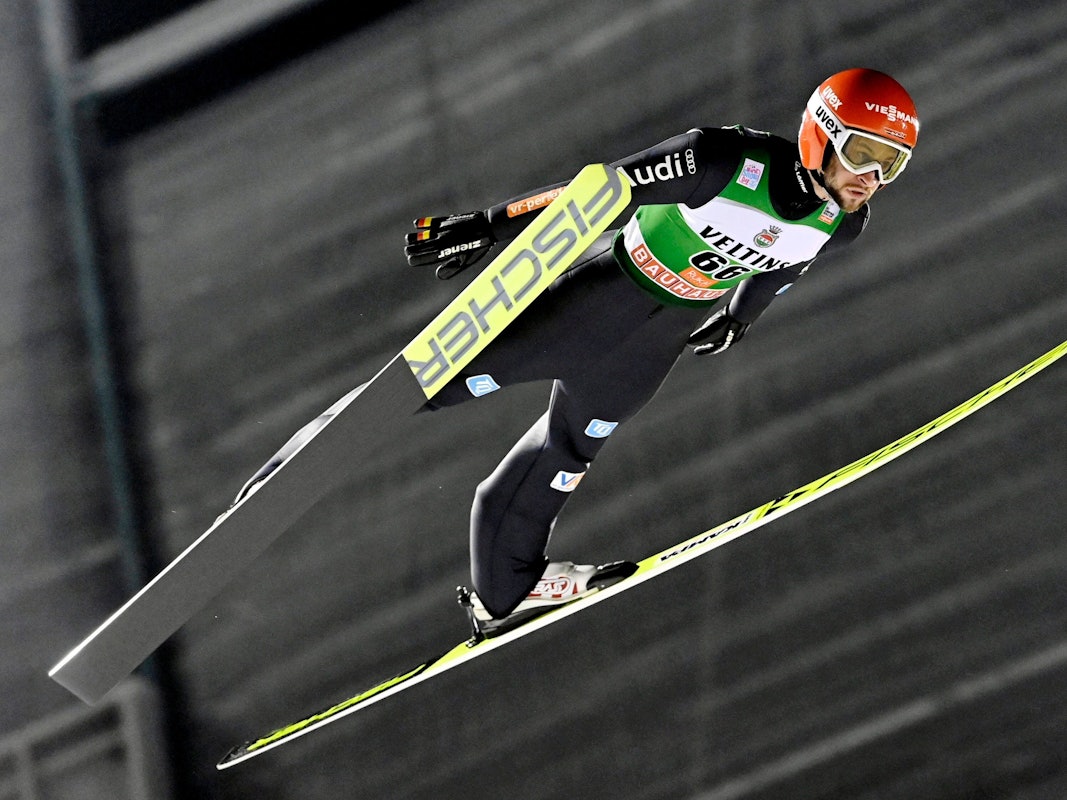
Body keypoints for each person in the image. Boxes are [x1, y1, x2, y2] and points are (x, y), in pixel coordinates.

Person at [238, 68, 920, 639]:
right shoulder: (722, 159)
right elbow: (597, 193)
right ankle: (270, 490)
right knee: (420, 388)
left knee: (565, 455)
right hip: (591, 305)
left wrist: (738, 320)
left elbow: (777, 266)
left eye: (890, 165)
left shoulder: (844, 224)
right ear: (819, 134)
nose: (871, 177)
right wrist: (487, 226)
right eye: (862, 153)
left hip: (648, 351)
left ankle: (504, 592)